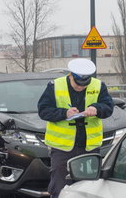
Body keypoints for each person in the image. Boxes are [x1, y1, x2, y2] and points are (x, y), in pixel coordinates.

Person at [37, 58, 114, 197]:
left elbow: (108, 108)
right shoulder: (55, 85)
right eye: (77, 84)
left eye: (84, 85)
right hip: (62, 148)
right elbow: (43, 110)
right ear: (70, 75)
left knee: (88, 186)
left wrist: (96, 108)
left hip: (89, 146)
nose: (80, 87)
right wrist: (64, 113)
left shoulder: (99, 86)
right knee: (59, 186)